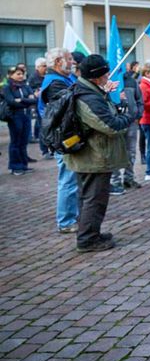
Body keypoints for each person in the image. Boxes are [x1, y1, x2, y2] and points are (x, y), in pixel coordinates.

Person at [63, 54, 132, 253]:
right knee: (94, 199)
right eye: (105, 72)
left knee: (88, 198)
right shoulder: (88, 96)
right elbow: (110, 125)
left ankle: (90, 233)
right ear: (96, 76)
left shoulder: (86, 90)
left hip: (89, 154)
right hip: (93, 156)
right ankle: (87, 239)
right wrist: (127, 117)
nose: (108, 74)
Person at [40, 48, 80, 233]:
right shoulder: (55, 83)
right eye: (69, 59)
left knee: (72, 178)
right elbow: (70, 102)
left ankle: (73, 215)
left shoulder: (62, 79)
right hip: (61, 138)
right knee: (68, 179)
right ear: (58, 61)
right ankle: (65, 221)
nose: (72, 62)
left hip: (66, 135)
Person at [111, 64, 144, 192]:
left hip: (131, 122)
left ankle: (129, 178)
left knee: (131, 151)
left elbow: (139, 99)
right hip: (115, 122)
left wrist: (138, 114)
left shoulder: (131, 81)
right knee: (115, 152)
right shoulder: (109, 81)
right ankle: (116, 181)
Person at [3, 66, 37, 175]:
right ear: (10, 75)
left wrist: (22, 100)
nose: (21, 76)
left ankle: (24, 165)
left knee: (23, 141)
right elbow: (11, 101)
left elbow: (34, 100)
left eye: (22, 74)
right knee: (15, 141)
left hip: (26, 115)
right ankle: (15, 167)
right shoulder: (7, 87)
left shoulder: (25, 86)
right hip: (14, 116)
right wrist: (27, 100)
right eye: (18, 74)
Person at [28, 57, 49, 158]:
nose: (46, 68)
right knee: (42, 127)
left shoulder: (48, 76)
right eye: (44, 66)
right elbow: (29, 91)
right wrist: (35, 92)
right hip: (39, 106)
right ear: (37, 67)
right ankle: (44, 151)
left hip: (49, 105)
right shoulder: (33, 78)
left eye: (46, 65)